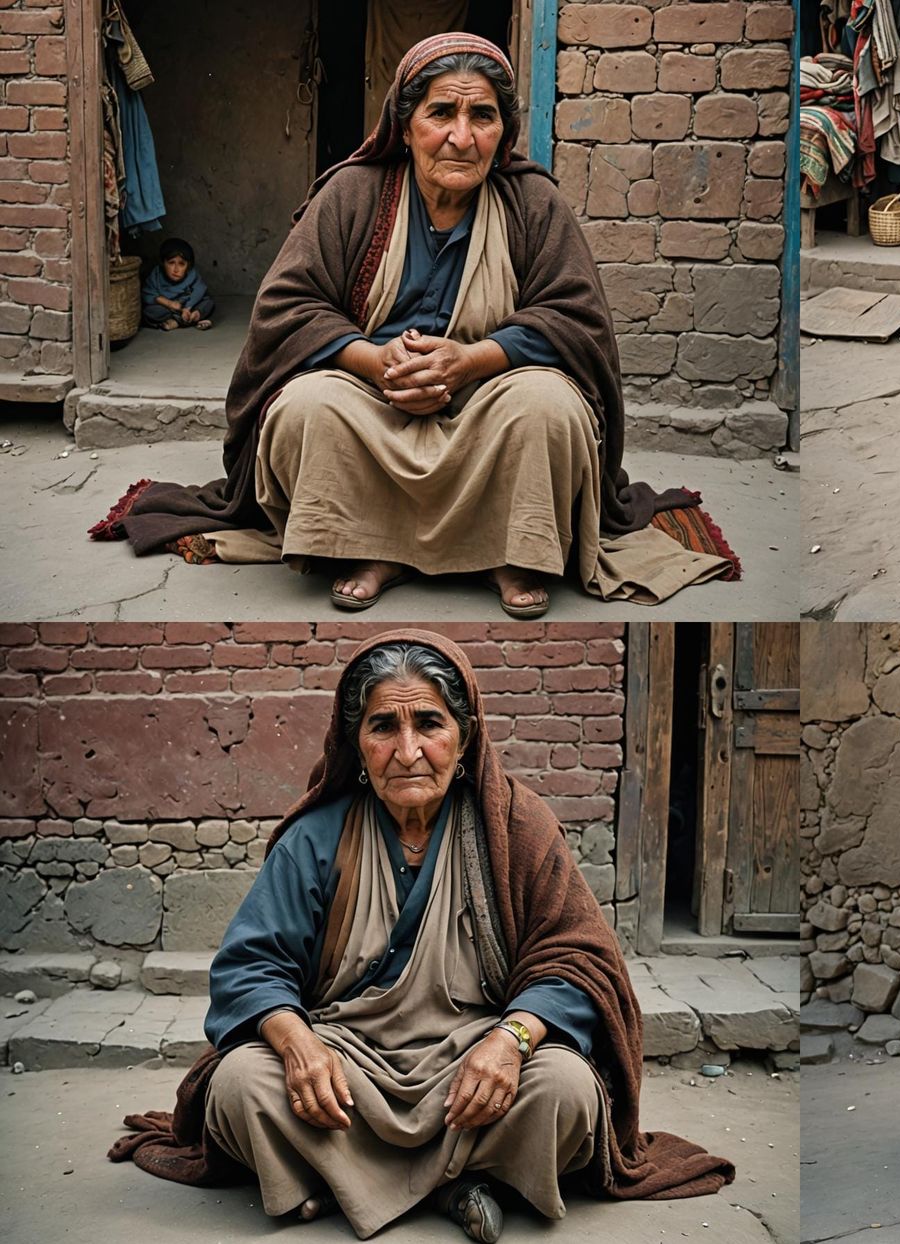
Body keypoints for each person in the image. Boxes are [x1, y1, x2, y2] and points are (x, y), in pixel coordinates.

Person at [109, 630, 734, 1241]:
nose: (407, 750)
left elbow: (574, 958)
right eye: (383, 727)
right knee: (241, 1082)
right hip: (344, 1066)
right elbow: (249, 966)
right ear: (357, 745)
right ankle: (465, 1185)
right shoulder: (316, 837)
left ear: (464, 738)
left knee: (566, 1089)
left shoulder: (515, 826)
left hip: (476, 1066)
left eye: (429, 725)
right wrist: (297, 1044)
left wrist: (511, 1041)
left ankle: (340, 1184)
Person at [96, 32, 730, 616]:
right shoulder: (352, 194)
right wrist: (374, 362)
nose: (462, 136)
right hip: (375, 397)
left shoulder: (532, 201)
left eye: (482, 116)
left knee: (552, 408)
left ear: (502, 129)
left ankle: (509, 555)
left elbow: (574, 317)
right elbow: (288, 308)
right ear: (406, 124)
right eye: (441, 114)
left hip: (489, 403)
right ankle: (376, 549)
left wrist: (471, 360)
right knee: (304, 407)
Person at [141, 237, 214, 331]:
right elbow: (148, 293)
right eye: (171, 263)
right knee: (148, 311)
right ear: (163, 263)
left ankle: (191, 317)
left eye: (181, 264)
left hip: (189, 306)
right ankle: (186, 321)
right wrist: (170, 304)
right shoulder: (156, 275)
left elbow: (199, 290)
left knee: (208, 302)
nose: (176, 269)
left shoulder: (191, 274)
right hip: (168, 308)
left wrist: (188, 308)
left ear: (188, 266)